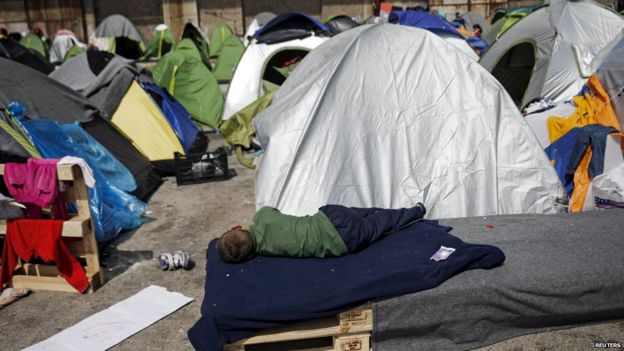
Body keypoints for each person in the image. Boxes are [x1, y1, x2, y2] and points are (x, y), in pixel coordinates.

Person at [217, 203, 426, 263]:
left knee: (379, 225)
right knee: (360, 213)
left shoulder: (267, 252)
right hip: (331, 216)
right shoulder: (262, 216)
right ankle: (376, 210)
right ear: (236, 227)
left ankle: (415, 211)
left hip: (343, 243)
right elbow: (274, 212)